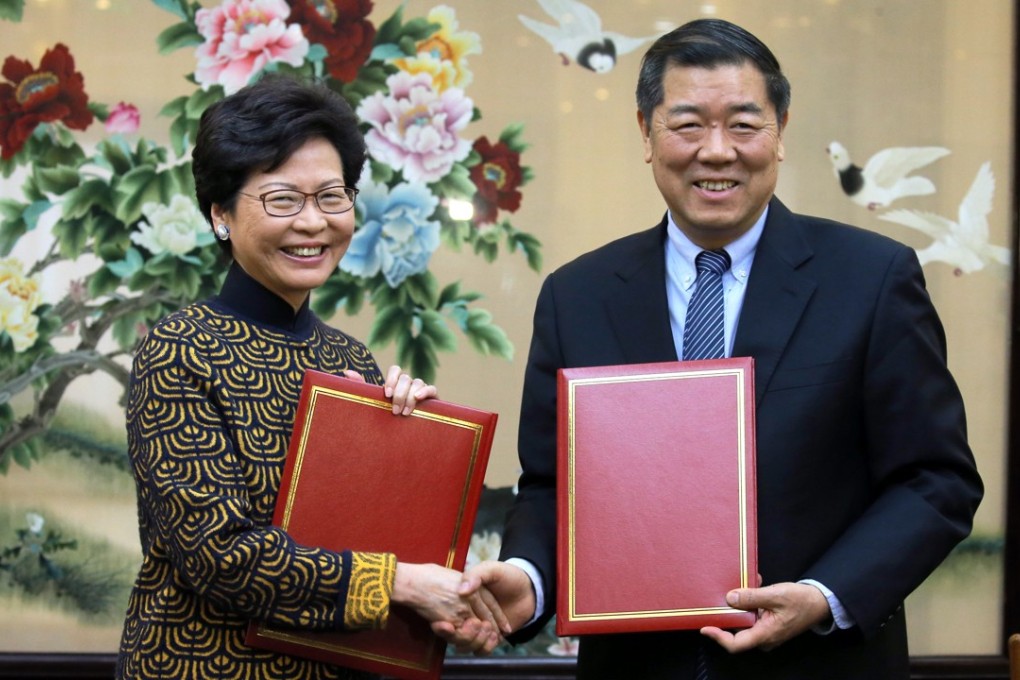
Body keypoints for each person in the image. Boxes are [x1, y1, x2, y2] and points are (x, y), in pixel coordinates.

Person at [449, 17, 984, 680]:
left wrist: (824, 597)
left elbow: (936, 481)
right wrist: (529, 577)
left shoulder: (871, 279)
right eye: (688, 125)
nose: (717, 151)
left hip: (819, 665)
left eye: (743, 123)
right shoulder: (578, 295)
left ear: (780, 132)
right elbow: (554, 486)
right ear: (646, 134)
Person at [116, 75, 505, 680]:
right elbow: (220, 557)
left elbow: (375, 548)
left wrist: (407, 440)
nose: (313, 222)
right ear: (220, 214)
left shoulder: (348, 359)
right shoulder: (180, 347)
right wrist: (405, 583)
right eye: (281, 200)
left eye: (332, 196)